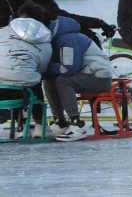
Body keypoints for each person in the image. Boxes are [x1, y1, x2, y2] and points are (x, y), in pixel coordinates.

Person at [43, 13, 113, 141]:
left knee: (63, 81)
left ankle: (77, 124)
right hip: (85, 74)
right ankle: (60, 122)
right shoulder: (56, 38)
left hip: (99, 77)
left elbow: (68, 68)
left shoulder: (67, 39)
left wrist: (43, 69)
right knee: (49, 80)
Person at [0, 1, 52, 137]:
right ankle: (41, 126)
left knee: (9, 77)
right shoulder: (45, 38)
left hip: (1, 90)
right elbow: (42, 68)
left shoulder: (3, 31)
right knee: (32, 80)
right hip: (24, 92)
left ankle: (20, 127)